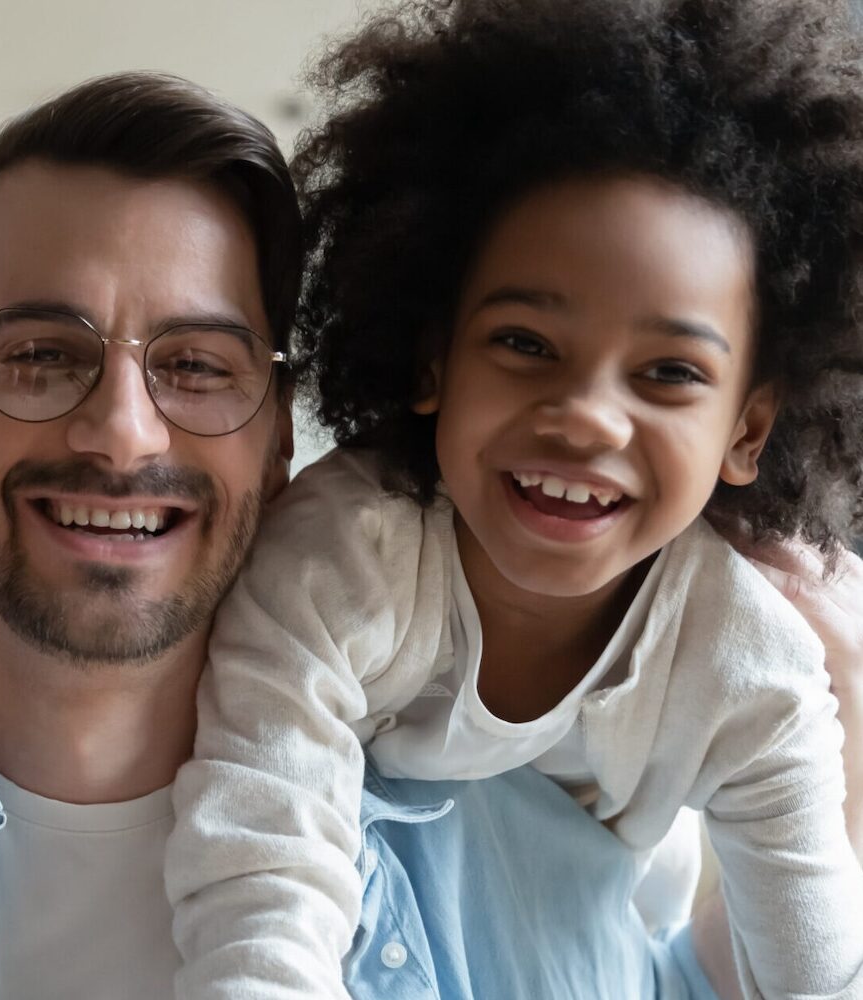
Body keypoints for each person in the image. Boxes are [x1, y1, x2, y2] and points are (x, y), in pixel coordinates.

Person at [0, 70, 863, 1000]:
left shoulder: (536, 851)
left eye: (199, 366)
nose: (118, 430)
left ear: (280, 436)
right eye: (39, 356)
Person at [167, 1, 863, 998]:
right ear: (429, 359)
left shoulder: (749, 663)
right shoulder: (343, 561)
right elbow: (259, 880)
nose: (583, 419)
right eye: (525, 345)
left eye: (666, 373)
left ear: (745, 433)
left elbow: (814, 972)